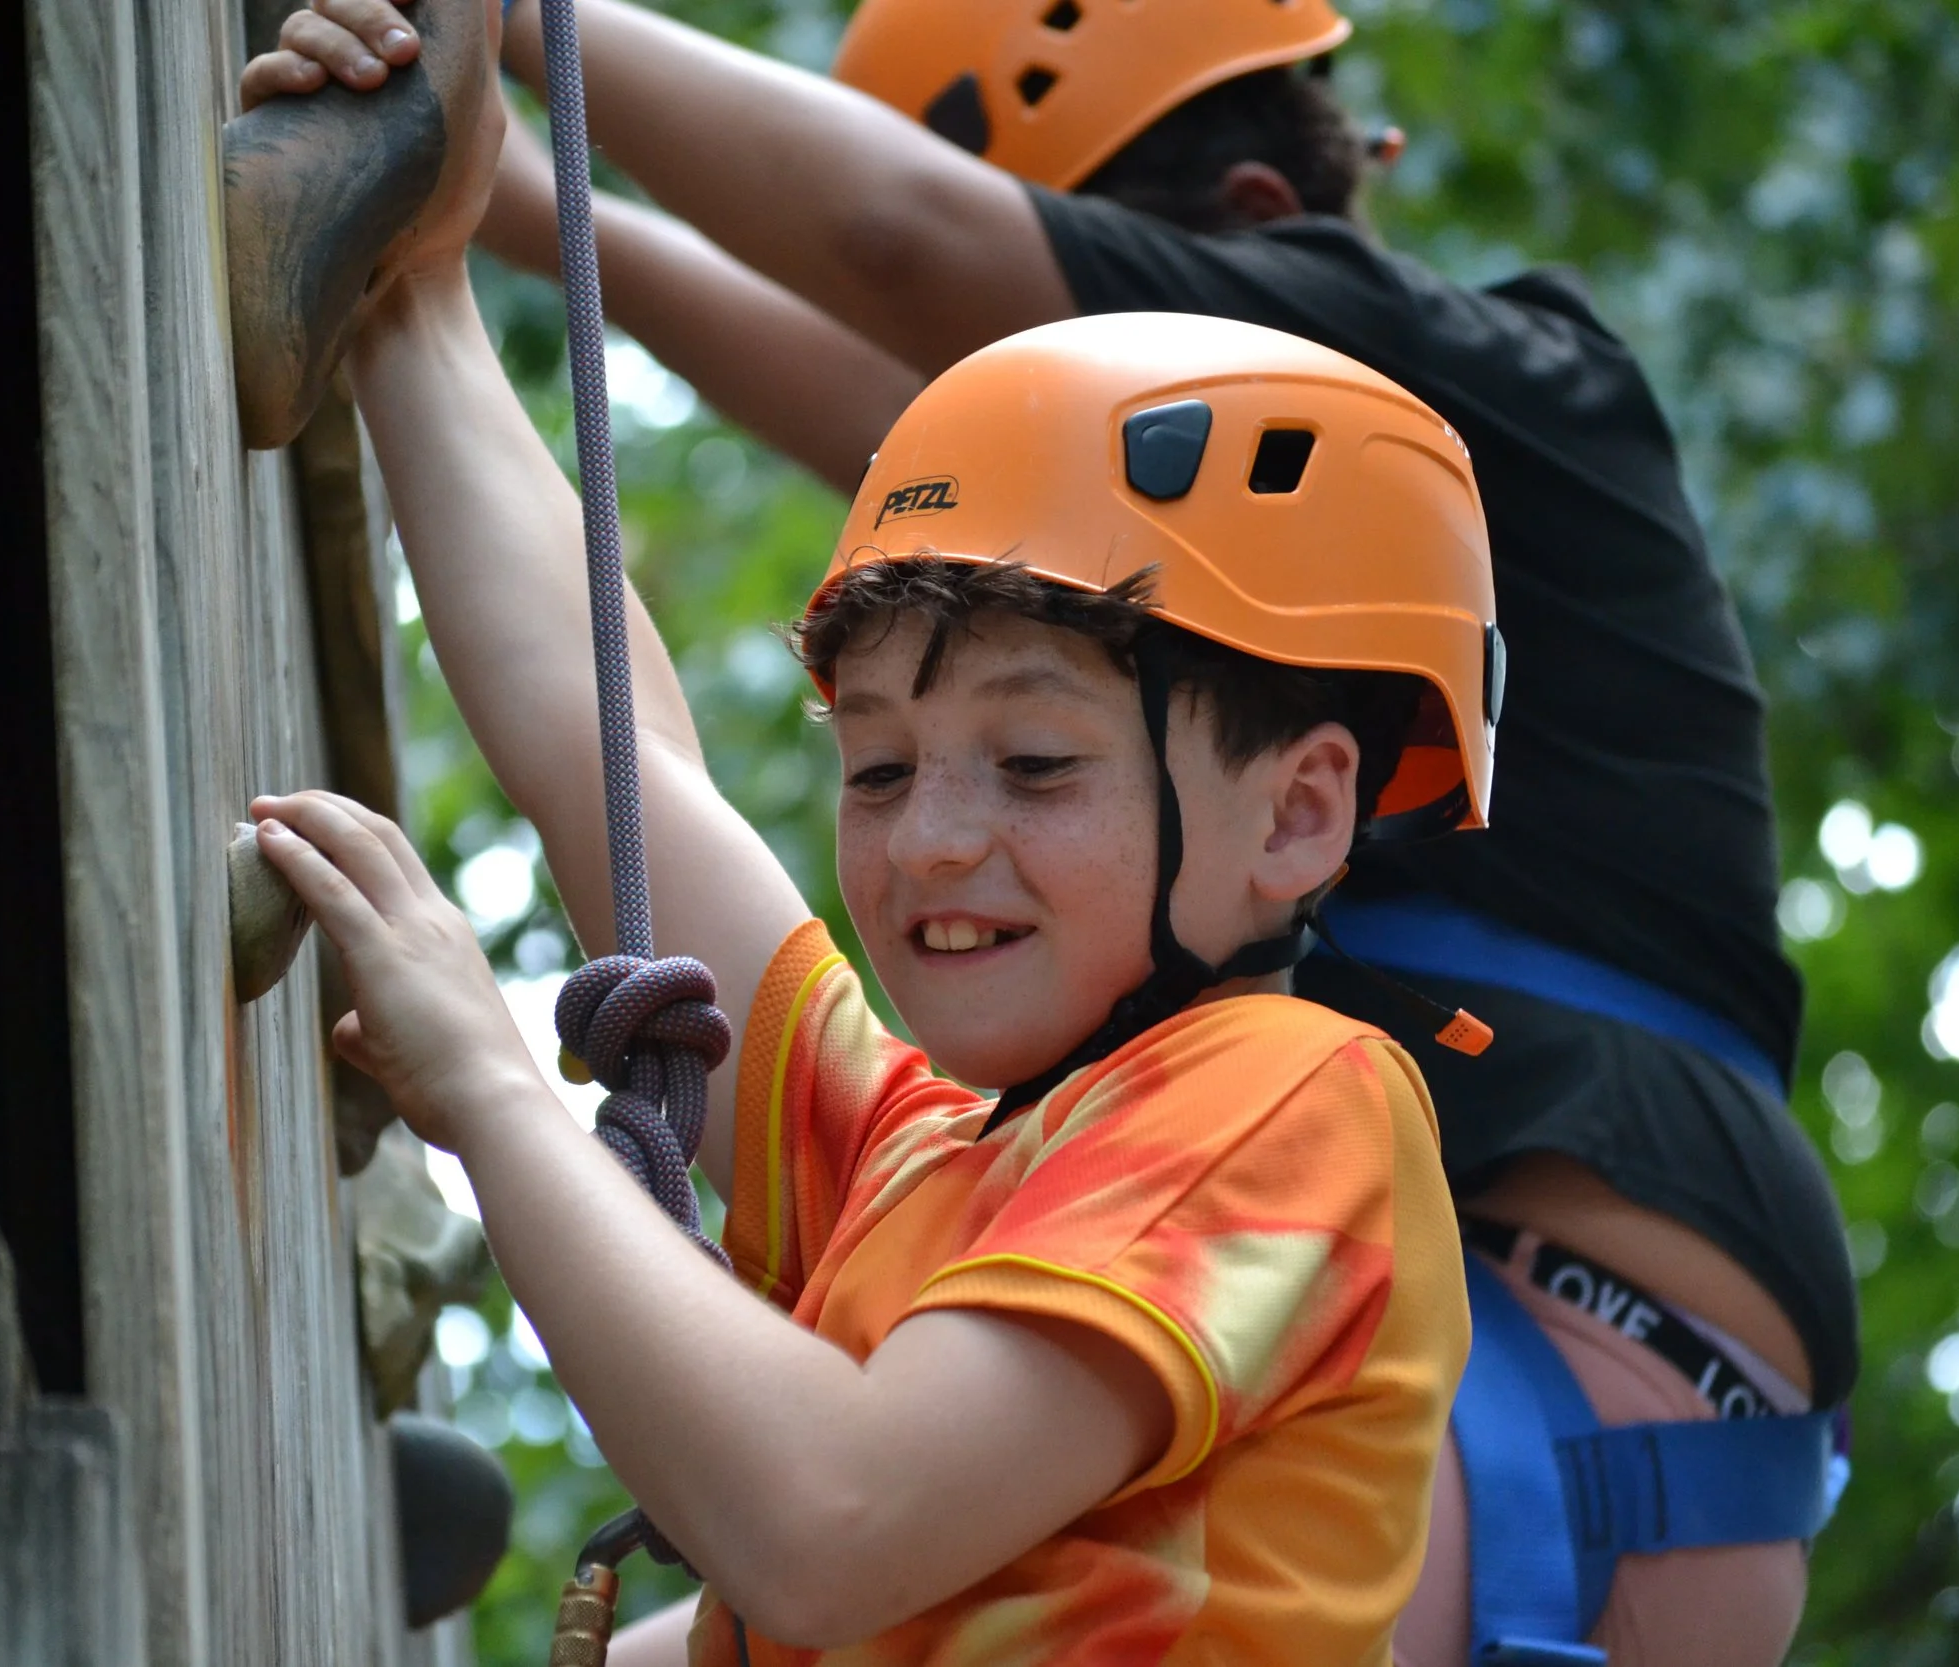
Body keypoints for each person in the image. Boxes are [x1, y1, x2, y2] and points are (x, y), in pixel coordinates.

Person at [246, 2, 1858, 1662]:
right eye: (876, 771)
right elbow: (622, 763)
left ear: (1302, 814)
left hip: (1593, 1402)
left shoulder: (1285, 1100)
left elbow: (826, 1519)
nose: (932, 839)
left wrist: (494, 1094)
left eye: (1029, 764)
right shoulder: (926, 1145)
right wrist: (413, 288)